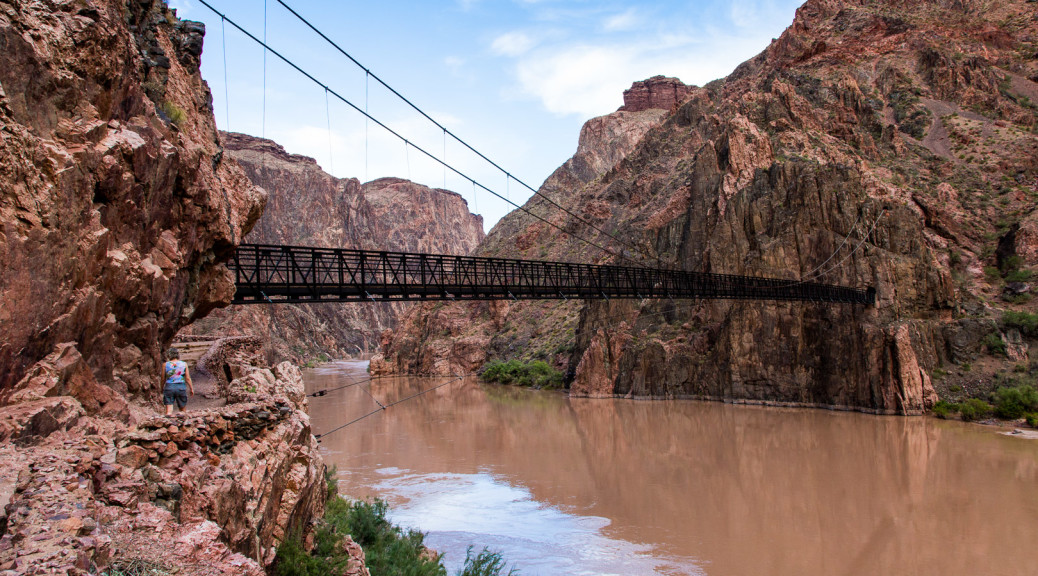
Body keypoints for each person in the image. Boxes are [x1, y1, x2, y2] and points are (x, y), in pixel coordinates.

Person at [162, 347, 194, 415]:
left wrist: (161, 388)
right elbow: (187, 378)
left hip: (169, 387)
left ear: (169, 355)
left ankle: (169, 423)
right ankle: (183, 424)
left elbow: (163, 378)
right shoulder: (184, 364)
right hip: (181, 387)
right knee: (182, 409)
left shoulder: (165, 365)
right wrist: (191, 388)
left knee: (169, 410)